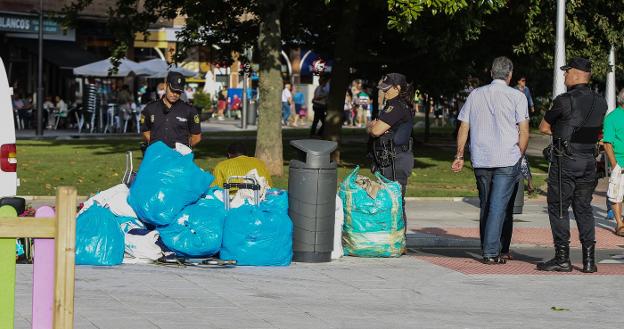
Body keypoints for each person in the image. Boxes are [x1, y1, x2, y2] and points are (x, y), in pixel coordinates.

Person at [451, 57, 529, 265]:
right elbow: (523, 130)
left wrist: (459, 155)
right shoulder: (517, 96)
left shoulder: (475, 95)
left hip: (481, 157)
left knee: (486, 204)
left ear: (491, 73)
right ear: (510, 75)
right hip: (507, 157)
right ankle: (492, 251)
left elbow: (464, 127)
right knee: (498, 206)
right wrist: (519, 155)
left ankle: (488, 245)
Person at [537, 57, 607, 273]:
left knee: (558, 207)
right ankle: (588, 261)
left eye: (567, 72)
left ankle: (562, 258)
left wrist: (562, 130)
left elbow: (543, 127)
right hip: (588, 162)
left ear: (576, 74)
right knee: (584, 209)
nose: (564, 75)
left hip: (565, 161)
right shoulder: (601, 101)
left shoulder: (564, 100)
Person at [367, 73, 415, 233]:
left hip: (396, 160)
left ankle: (398, 240)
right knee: (389, 201)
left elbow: (376, 129)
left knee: (394, 201)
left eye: (387, 89)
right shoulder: (393, 105)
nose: (384, 92)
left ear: (398, 88)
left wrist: (371, 127)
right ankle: (391, 238)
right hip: (390, 159)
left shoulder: (397, 106)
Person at [141, 72, 202, 149]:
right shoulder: (151, 108)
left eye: (178, 92)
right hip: (157, 156)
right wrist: (157, 147)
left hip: (179, 157)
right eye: (172, 90)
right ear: (166, 86)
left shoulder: (190, 110)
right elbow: (145, 131)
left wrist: (184, 148)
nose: (175, 94)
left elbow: (196, 137)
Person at [603, 88, 624, 236]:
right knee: (617, 194)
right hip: (620, 162)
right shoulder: (612, 117)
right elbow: (607, 143)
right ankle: (620, 224)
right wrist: (615, 165)